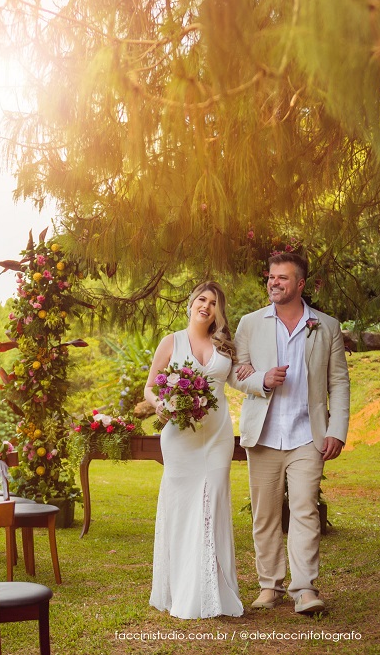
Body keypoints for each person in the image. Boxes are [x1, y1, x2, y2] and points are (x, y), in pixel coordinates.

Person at [230, 252, 350, 615]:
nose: (274, 282)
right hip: (263, 434)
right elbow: (234, 371)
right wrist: (260, 380)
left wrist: (337, 430)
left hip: (307, 435)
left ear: (300, 284)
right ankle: (270, 585)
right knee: (265, 515)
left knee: (304, 510)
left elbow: (339, 382)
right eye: (271, 277)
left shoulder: (325, 326)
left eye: (283, 278)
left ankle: (305, 588)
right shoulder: (250, 323)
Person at [145, 281, 245, 619]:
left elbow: (239, 378)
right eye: (202, 299)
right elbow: (150, 386)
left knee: (214, 504)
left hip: (217, 436)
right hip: (180, 438)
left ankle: (216, 589)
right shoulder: (171, 341)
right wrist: (160, 404)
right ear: (191, 304)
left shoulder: (226, 345)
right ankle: (183, 589)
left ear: (219, 310)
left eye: (214, 302)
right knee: (183, 507)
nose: (207, 306)